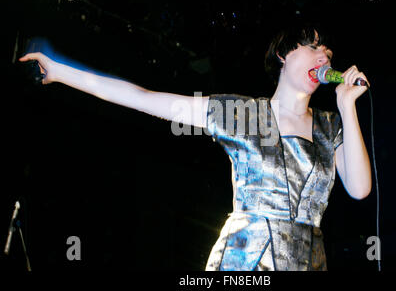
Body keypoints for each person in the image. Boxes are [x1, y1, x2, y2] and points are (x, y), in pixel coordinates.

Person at [19, 22, 372, 271]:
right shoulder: (243, 114)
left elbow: (358, 189)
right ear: (283, 55)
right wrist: (62, 72)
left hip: (309, 261)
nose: (324, 56)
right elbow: (143, 98)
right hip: (247, 259)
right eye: (312, 47)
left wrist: (347, 107)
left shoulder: (331, 125)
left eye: (327, 52)